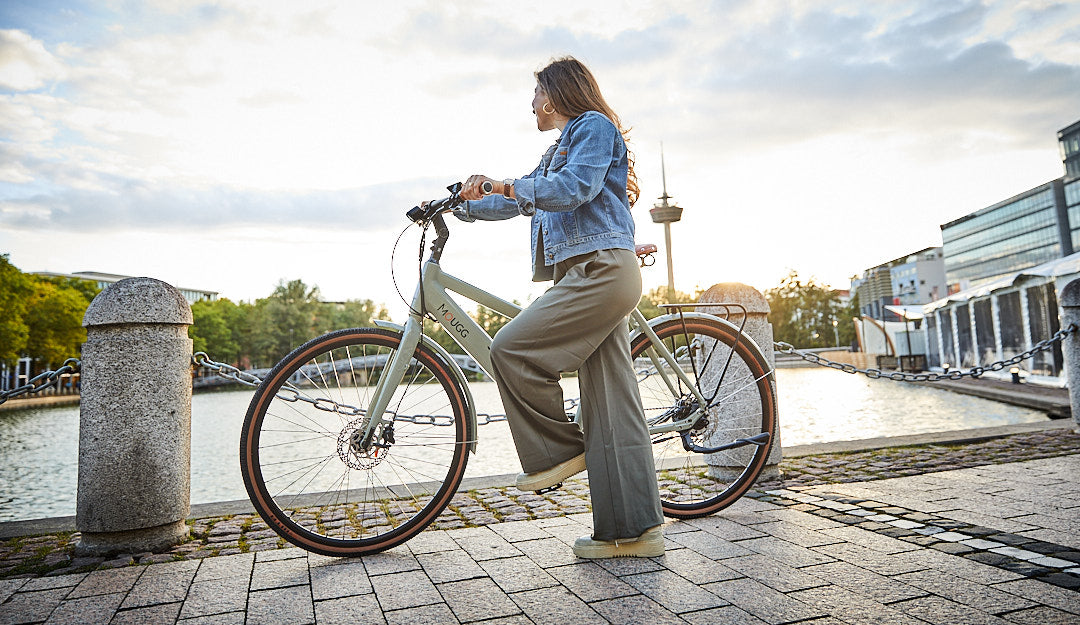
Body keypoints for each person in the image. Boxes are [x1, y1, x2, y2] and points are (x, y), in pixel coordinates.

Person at [452, 57, 664, 558]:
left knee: (510, 348)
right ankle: (633, 533)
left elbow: (574, 191)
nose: (530, 105)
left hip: (601, 274)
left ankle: (561, 450)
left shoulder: (593, 127)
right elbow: (521, 198)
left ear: (552, 94)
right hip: (590, 273)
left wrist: (501, 184)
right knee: (612, 405)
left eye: (534, 95)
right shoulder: (558, 149)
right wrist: (462, 206)